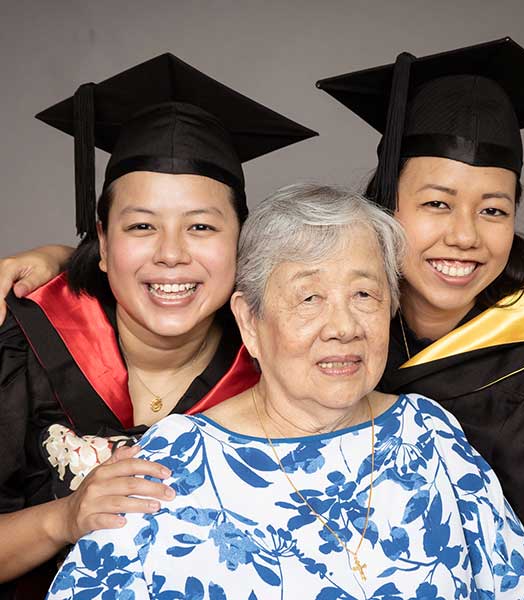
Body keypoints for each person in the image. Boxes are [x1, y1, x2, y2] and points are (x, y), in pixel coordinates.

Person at [46, 183, 524, 600]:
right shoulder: (168, 462)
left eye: (364, 293)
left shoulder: (428, 433)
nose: (343, 326)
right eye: (309, 297)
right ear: (250, 321)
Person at [0, 52, 315, 600]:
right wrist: (64, 518)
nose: (171, 254)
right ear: (101, 241)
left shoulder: (277, 373)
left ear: (241, 241)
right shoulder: (20, 345)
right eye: (142, 225)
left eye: (201, 226)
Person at [317, 37, 524, 598]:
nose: (466, 235)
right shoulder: (334, 339)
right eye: (437, 203)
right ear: (385, 206)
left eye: (493, 209)